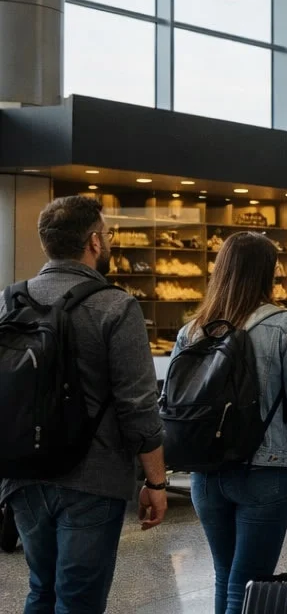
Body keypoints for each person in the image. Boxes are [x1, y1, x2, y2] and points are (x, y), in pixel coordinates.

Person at [1, 195, 168, 614]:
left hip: (22, 472)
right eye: (107, 235)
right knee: (79, 600)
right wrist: (156, 482)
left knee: (41, 589)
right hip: (92, 478)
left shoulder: (9, 302)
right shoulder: (115, 305)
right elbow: (138, 406)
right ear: (94, 242)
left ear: (47, 244)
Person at [174, 231, 287, 614]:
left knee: (224, 575)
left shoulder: (192, 330)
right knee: (249, 584)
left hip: (205, 472)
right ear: (268, 273)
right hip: (266, 470)